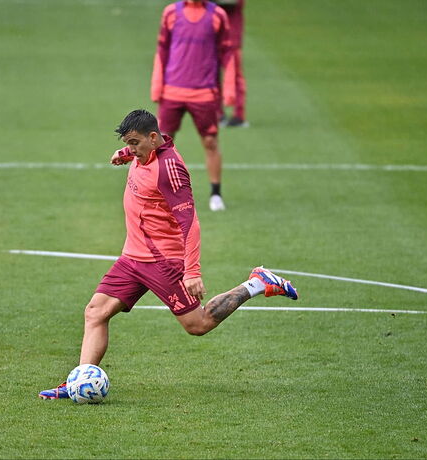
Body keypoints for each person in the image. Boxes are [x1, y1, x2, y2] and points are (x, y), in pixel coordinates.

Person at [38, 109, 298, 400]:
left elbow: (191, 222)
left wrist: (192, 271)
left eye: (134, 143)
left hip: (163, 261)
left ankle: (258, 283)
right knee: (95, 312)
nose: (132, 149)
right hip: (133, 257)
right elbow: (140, 155)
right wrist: (126, 152)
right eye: (129, 143)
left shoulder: (170, 171)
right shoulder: (144, 152)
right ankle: (79, 381)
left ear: (152, 138)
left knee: (197, 325)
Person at [151, 0, 232, 212]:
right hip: (172, 91)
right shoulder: (170, 13)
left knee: (210, 142)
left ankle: (215, 194)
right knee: (161, 144)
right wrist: (156, 86)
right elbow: (162, 51)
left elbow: (228, 53)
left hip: (204, 93)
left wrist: (229, 89)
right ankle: (157, 193)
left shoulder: (218, 16)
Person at [215, 0, 248, 127]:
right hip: (212, 37)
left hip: (231, 38)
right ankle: (218, 113)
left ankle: (239, 115)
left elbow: (231, 2)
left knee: (235, 76)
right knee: (212, 76)